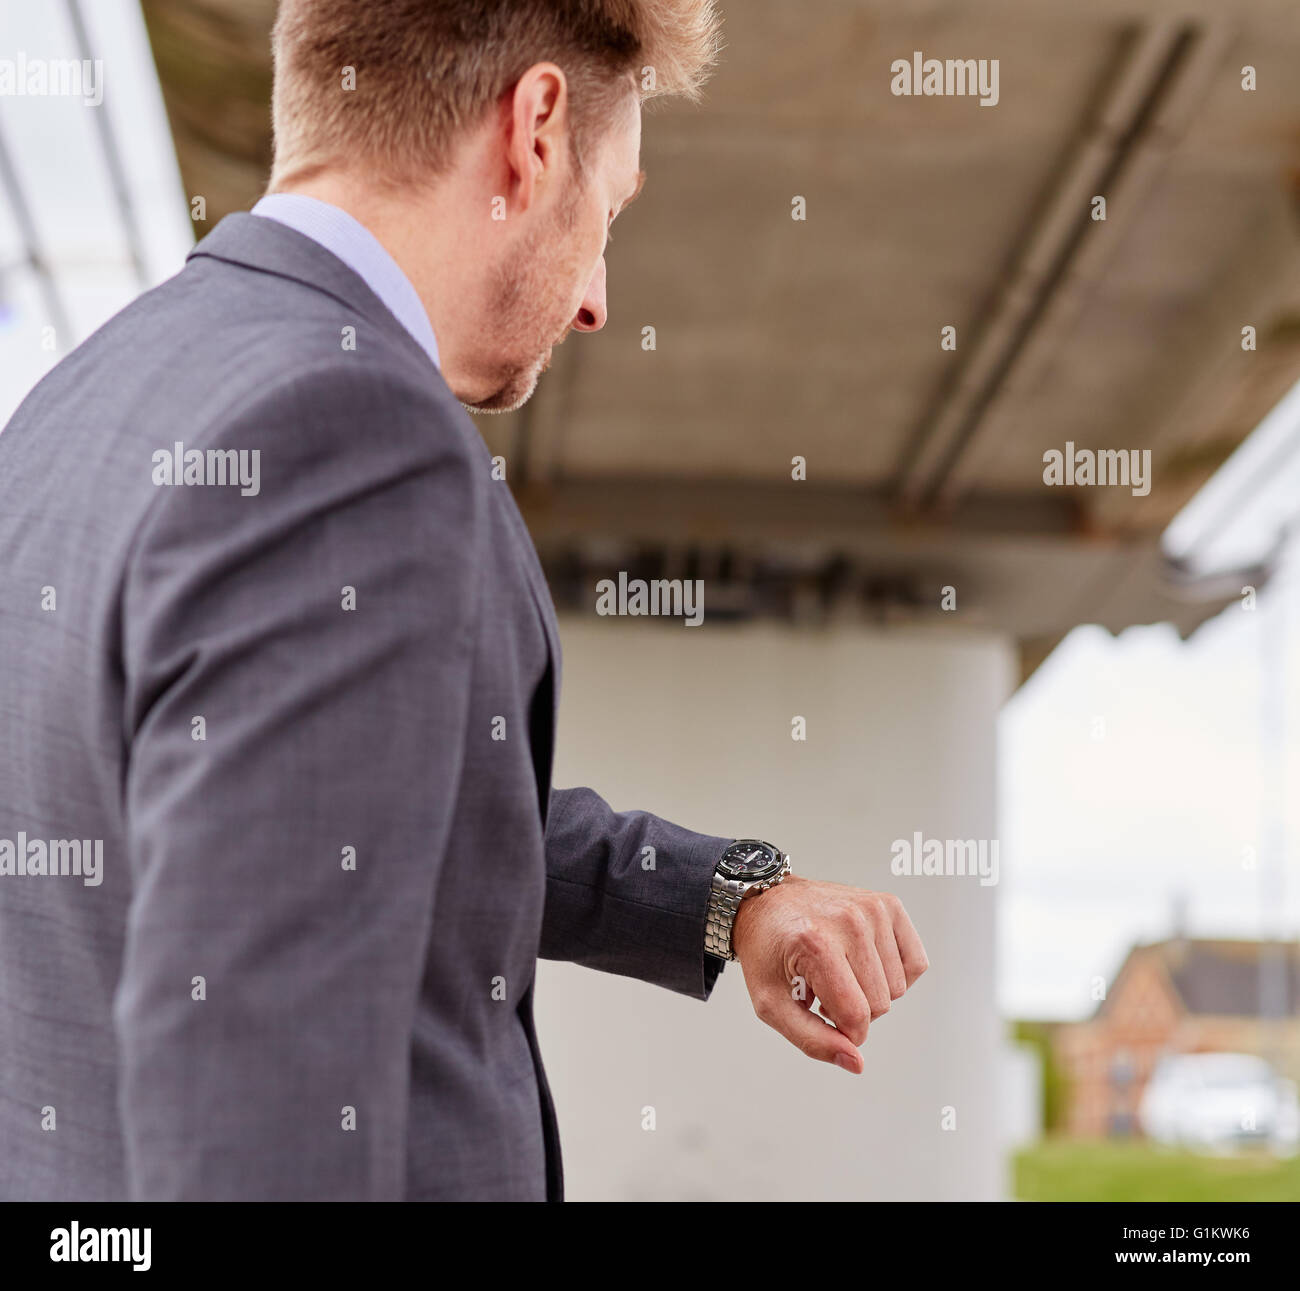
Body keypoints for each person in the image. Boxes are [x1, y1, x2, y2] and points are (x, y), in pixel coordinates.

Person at [0, 0, 926, 1201]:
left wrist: (724, 898)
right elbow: (259, 1110)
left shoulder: (72, 406)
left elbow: (326, 809)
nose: (595, 297)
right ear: (535, 131)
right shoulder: (351, 429)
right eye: (610, 211)